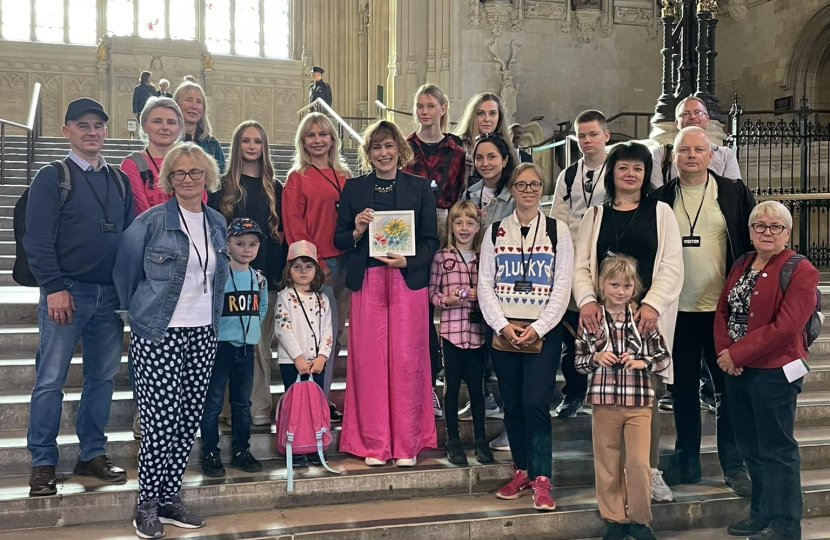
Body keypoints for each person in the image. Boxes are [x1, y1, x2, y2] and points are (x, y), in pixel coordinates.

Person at [113, 142, 229, 539]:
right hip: (159, 333)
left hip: (202, 332)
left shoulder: (216, 222)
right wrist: (140, 317)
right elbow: (126, 275)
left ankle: (168, 497)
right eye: (179, 173)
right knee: (159, 422)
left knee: (186, 421)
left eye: (195, 172)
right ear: (168, 180)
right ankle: (145, 504)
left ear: (207, 177)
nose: (188, 179)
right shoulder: (151, 222)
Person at [24, 98, 134, 497]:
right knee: (50, 380)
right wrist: (53, 286)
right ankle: (42, 461)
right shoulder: (53, 176)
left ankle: (92, 453)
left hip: (108, 297)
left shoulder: (118, 179)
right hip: (66, 293)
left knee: (101, 379)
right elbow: (36, 238)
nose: (92, 132)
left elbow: (126, 236)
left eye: (98, 126)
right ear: (67, 130)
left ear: (106, 131)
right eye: (83, 126)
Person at [572, 141, 684, 505]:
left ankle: (648, 472)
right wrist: (588, 301)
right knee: (610, 406)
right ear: (612, 172)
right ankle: (614, 480)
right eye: (623, 167)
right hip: (605, 322)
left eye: (638, 168)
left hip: (645, 322)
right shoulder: (595, 215)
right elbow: (582, 266)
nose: (630, 174)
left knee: (647, 399)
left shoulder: (662, 212)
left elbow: (671, 265)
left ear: (645, 173)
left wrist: (651, 305)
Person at [653, 126, 754, 495]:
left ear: (712, 155)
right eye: (684, 150)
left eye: (699, 149)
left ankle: (733, 463)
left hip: (720, 311)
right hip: (676, 310)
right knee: (680, 390)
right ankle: (686, 460)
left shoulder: (733, 193)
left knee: (727, 388)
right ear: (674, 156)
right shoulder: (662, 198)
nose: (691, 156)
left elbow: (751, 242)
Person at [334, 120, 439, 467]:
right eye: (376, 147)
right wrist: (358, 229)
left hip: (406, 281)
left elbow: (430, 241)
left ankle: (407, 443)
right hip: (367, 281)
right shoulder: (354, 188)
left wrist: (407, 262)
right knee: (369, 363)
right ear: (368, 152)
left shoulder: (420, 187)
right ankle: (374, 442)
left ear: (400, 149)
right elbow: (339, 239)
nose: (383, 153)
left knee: (408, 361)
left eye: (389, 146)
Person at [715, 201, 819, 540]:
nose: (767, 232)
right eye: (760, 226)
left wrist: (737, 353)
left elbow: (786, 326)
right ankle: (760, 517)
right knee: (750, 448)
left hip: (775, 371)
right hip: (738, 371)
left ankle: (785, 525)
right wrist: (723, 353)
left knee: (777, 450)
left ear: (787, 233)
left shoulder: (800, 269)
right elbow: (723, 311)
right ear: (750, 231)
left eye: (776, 226)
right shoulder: (742, 263)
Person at [479, 163, 573, 512]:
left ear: (542, 188)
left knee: (536, 402)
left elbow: (562, 285)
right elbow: (485, 284)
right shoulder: (494, 231)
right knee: (513, 404)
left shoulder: (556, 230)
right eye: (522, 184)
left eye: (535, 184)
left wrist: (539, 327)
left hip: (542, 330)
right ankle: (521, 470)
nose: (529, 190)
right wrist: (502, 325)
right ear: (513, 189)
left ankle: (542, 479)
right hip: (505, 330)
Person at [575, 254, 671, 540]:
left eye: (626, 286)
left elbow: (663, 357)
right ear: (602, 285)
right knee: (607, 464)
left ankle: (639, 520)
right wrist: (596, 357)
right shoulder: (592, 321)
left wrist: (643, 362)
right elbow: (578, 361)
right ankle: (615, 520)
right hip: (604, 402)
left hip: (639, 402)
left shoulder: (643, 320)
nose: (620, 291)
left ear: (635, 288)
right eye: (614, 284)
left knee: (640, 464)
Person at [209, 120, 286, 426]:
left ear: (264, 148)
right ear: (237, 146)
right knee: (228, 346)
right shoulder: (222, 187)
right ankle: (228, 409)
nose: (252, 147)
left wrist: (279, 275)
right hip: (228, 280)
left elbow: (281, 235)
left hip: (263, 278)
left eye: (257, 141)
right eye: (246, 141)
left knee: (258, 347)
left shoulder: (275, 187)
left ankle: (258, 409)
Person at [402, 83, 468, 419]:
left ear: (443, 108)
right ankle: (424, 386)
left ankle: (453, 385)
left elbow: (460, 196)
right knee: (419, 307)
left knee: (451, 305)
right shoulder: (405, 148)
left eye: (430, 105)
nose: (425, 112)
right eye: (419, 106)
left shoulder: (457, 151)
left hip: (445, 222)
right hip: (412, 226)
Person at [283, 112, 352, 422]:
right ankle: (307, 398)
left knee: (332, 336)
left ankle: (321, 398)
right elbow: (294, 224)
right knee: (309, 334)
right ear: (303, 141)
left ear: (332, 139)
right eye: (310, 135)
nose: (317, 140)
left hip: (345, 262)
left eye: (323, 134)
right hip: (317, 264)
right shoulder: (297, 177)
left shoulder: (345, 176)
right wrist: (312, 264)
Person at [550, 109, 611, 420]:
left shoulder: (617, 170)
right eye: (582, 135)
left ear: (606, 136)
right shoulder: (569, 175)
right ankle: (573, 393)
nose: (587, 141)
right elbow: (559, 220)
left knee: (607, 331)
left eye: (593, 134)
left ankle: (604, 392)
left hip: (607, 265)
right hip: (575, 263)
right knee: (573, 335)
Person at [200, 218, 268, 478]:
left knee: (242, 404)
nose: (247, 249)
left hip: (246, 349)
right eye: (240, 243)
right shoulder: (219, 276)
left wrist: (250, 330)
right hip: (220, 348)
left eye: (252, 244)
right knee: (213, 404)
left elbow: (261, 308)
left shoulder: (257, 278)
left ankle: (241, 451)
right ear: (227, 244)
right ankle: (210, 452)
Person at [429, 200, 494, 466]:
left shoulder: (485, 258)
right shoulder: (442, 257)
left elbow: (494, 290)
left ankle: (481, 440)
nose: (464, 228)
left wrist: (483, 297)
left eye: (470, 223)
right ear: (451, 226)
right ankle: (452, 439)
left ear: (478, 227)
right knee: (452, 388)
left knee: (477, 390)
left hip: (478, 334)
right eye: (459, 222)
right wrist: (447, 300)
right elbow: (431, 292)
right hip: (452, 333)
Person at [274, 240, 334, 466]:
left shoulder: (323, 299)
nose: (303, 272)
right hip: (292, 363)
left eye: (308, 266)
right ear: (289, 271)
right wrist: (298, 357)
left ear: (316, 270)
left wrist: (322, 356)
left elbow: (328, 329)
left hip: (317, 363)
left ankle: (315, 444)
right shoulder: (284, 297)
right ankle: (296, 445)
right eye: (297, 267)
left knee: (316, 405)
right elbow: (283, 329)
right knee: (295, 406)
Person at [649, 96, 741, 188]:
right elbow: (657, 191)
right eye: (685, 113)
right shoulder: (660, 154)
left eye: (698, 112)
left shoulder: (726, 155)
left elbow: (733, 190)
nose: (692, 117)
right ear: (677, 123)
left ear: (708, 120)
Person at [122, 96, 189, 216]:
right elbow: (142, 212)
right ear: (144, 126)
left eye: (171, 122)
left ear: (179, 128)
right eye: (157, 121)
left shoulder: (190, 161)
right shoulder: (132, 165)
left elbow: (198, 204)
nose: (165, 127)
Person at [454, 93, 520, 182]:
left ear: (499, 117)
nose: (487, 119)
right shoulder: (458, 145)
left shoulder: (509, 149)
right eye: (481, 113)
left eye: (492, 113)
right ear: (473, 116)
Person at [461, 132, 518, 231]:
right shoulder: (469, 194)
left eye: (491, 157)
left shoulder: (517, 194)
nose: (485, 163)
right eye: (479, 158)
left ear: (505, 160)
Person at [173, 80, 226, 174]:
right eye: (189, 100)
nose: (194, 106)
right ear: (176, 105)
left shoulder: (213, 145)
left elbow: (221, 182)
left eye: (199, 102)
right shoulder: (167, 142)